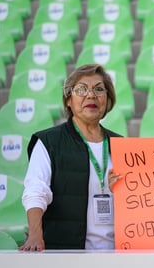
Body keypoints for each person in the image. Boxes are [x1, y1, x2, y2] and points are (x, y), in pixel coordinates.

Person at [19, 64, 122, 251]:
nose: (91, 95)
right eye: (81, 89)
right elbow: (36, 191)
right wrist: (35, 236)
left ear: (107, 99)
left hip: (116, 253)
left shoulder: (121, 145)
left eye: (99, 89)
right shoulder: (49, 142)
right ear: (68, 100)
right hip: (67, 253)